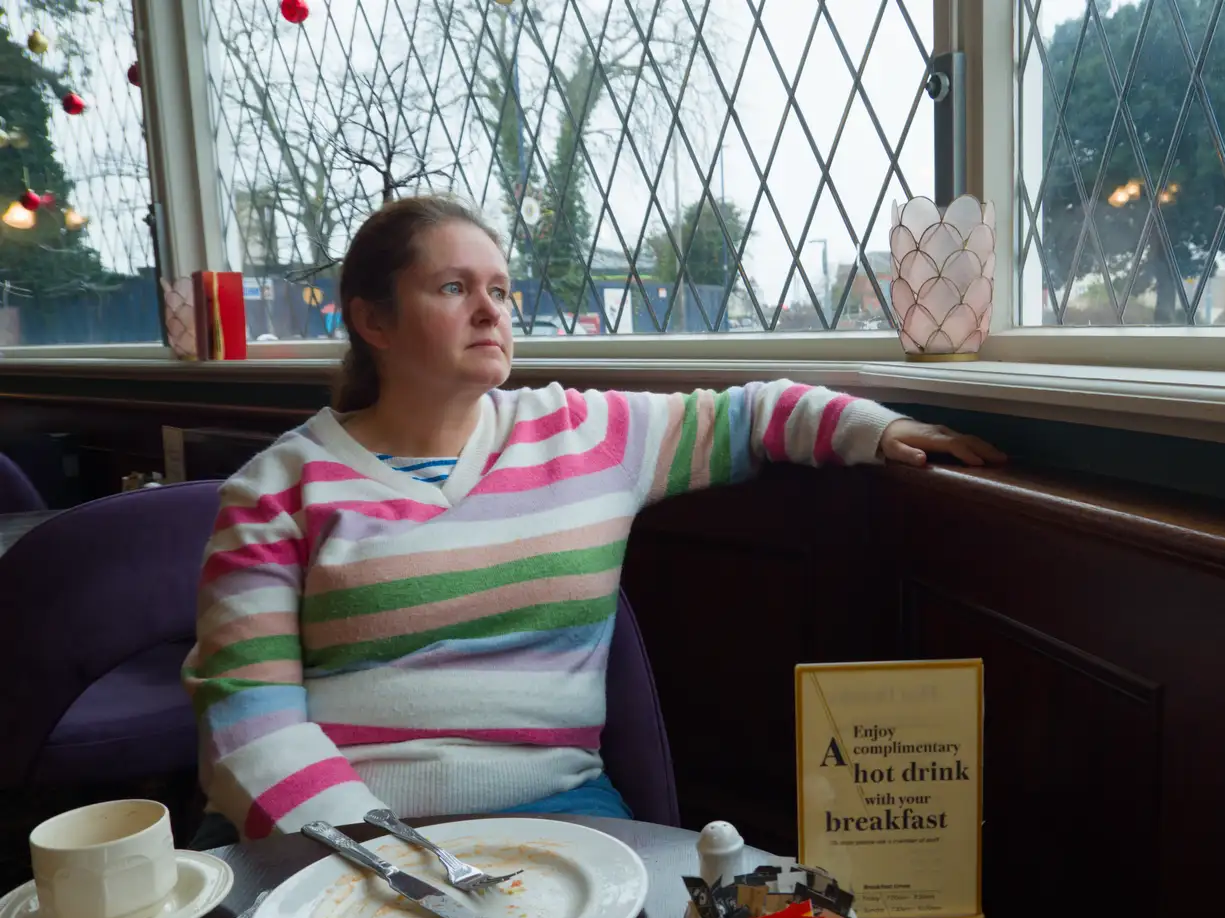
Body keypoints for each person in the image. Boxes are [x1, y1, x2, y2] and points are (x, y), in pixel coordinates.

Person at [183, 195, 1004, 845]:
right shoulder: (272, 491)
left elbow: (753, 413)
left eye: (500, 290)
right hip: (341, 832)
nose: (491, 311)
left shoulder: (583, 434)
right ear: (373, 322)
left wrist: (876, 429)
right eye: (454, 288)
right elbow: (247, 728)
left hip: (561, 817)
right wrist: (384, 857)